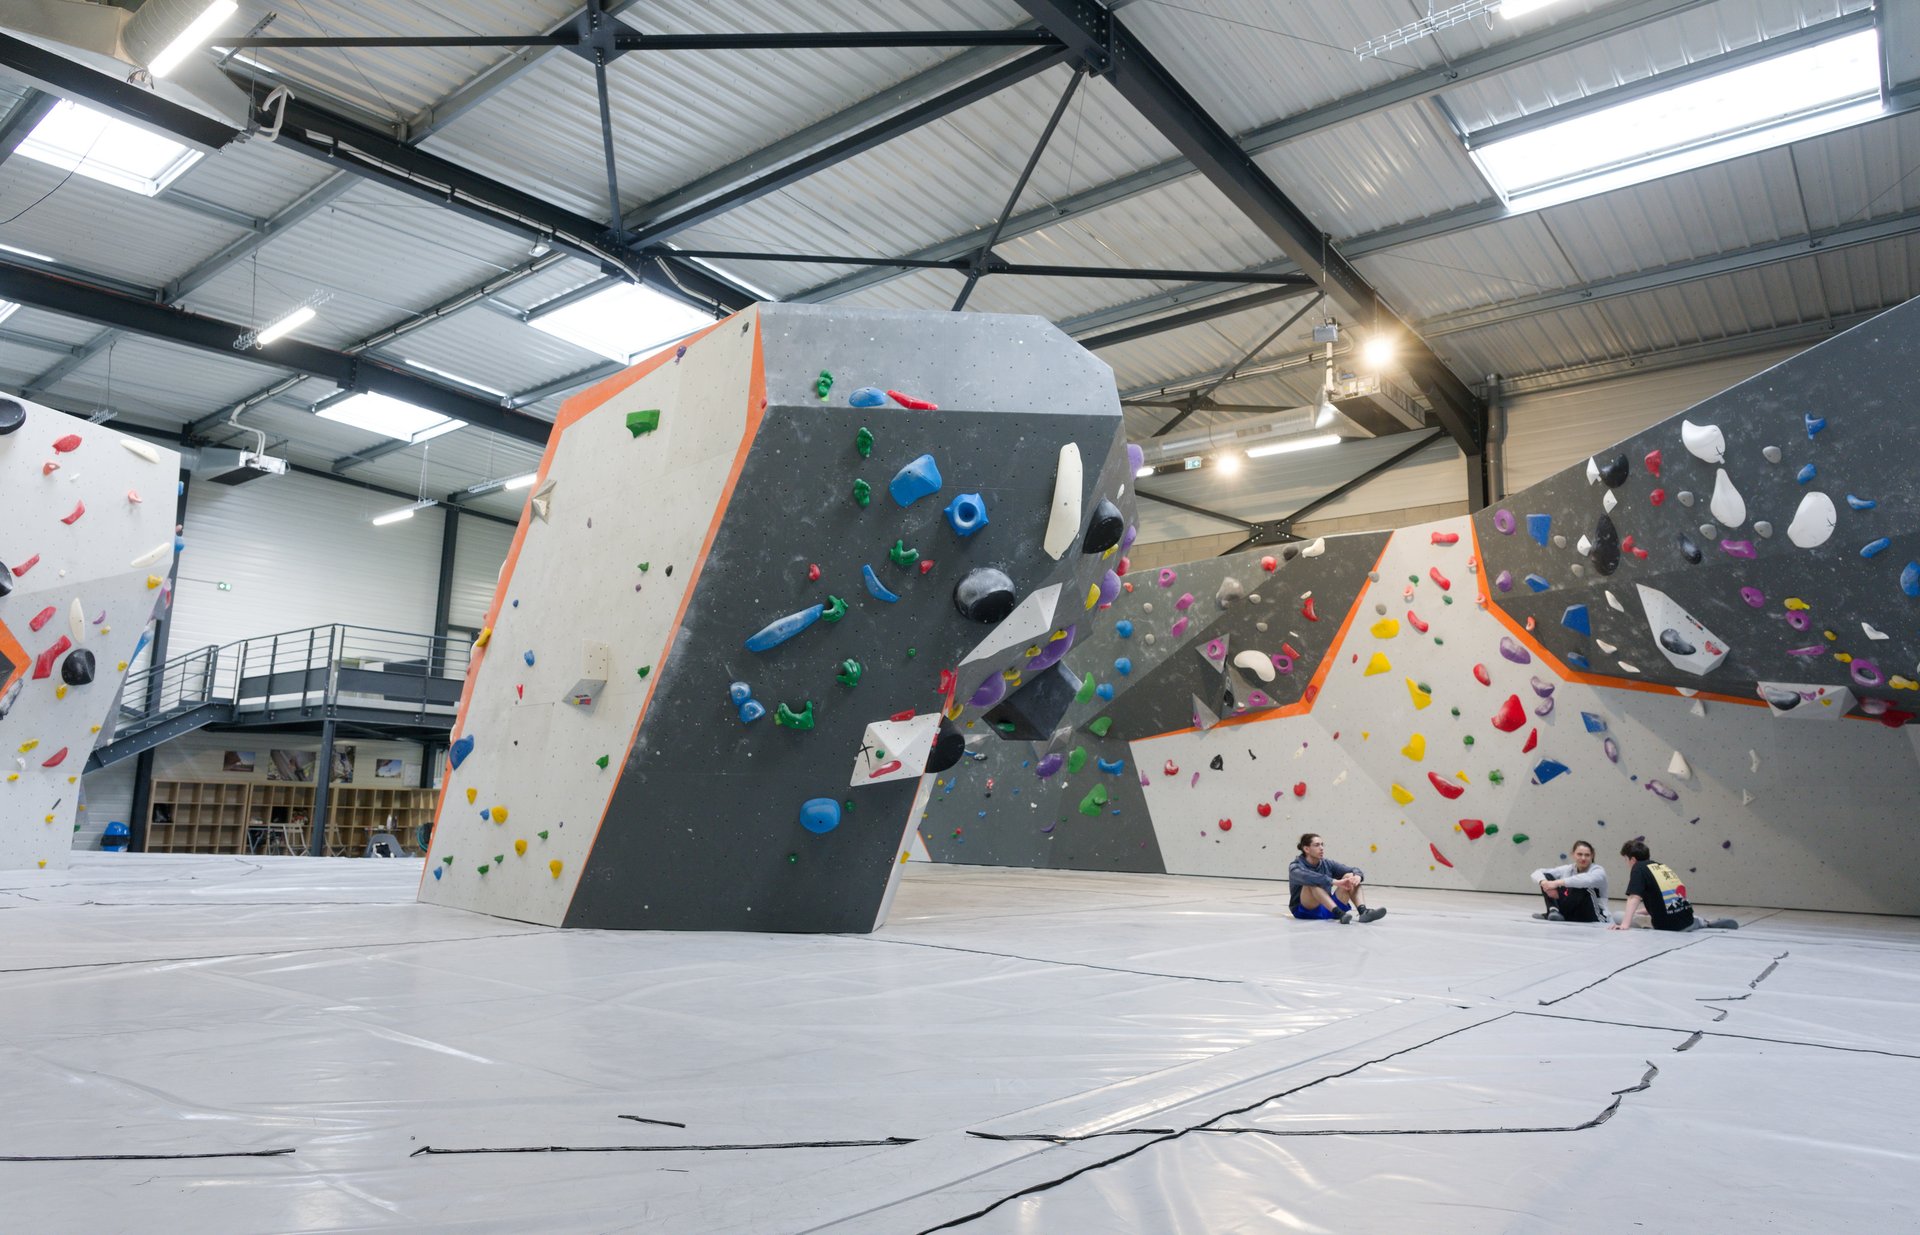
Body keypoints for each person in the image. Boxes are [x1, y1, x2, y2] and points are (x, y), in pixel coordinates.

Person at [1609, 840, 1738, 931]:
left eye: (1625, 859)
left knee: (1618, 915)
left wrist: (1625, 925)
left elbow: (1634, 897)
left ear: (1632, 859)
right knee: (1637, 913)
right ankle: (1702, 921)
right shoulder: (1661, 867)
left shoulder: (1638, 868)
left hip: (1669, 926)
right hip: (1688, 919)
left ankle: (1692, 922)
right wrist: (1640, 911)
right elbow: (1663, 900)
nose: (1626, 863)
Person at [1289, 833, 1386, 923]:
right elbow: (1308, 876)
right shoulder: (1295, 866)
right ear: (1306, 849)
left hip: (1327, 907)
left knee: (1350, 876)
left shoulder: (1327, 863)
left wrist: (1357, 876)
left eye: (1322, 845)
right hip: (1306, 911)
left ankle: (1363, 911)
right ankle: (1339, 914)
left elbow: (1353, 869)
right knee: (1311, 882)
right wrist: (1333, 881)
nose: (1321, 848)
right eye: (1317, 845)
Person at [1529, 841, 1609, 924]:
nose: (1583, 858)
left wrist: (1556, 883)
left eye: (1587, 855)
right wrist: (1544, 883)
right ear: (1573, 854)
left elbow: (1585, 880)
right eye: (1579, 854)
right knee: (1546, 876)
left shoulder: (1598, 871)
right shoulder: (1568, 869)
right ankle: (1553, 911)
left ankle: (1554, 914)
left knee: (1582, 886)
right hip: (1572, 912)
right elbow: (1537, 873)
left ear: (1592, 856)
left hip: (1594, 915)